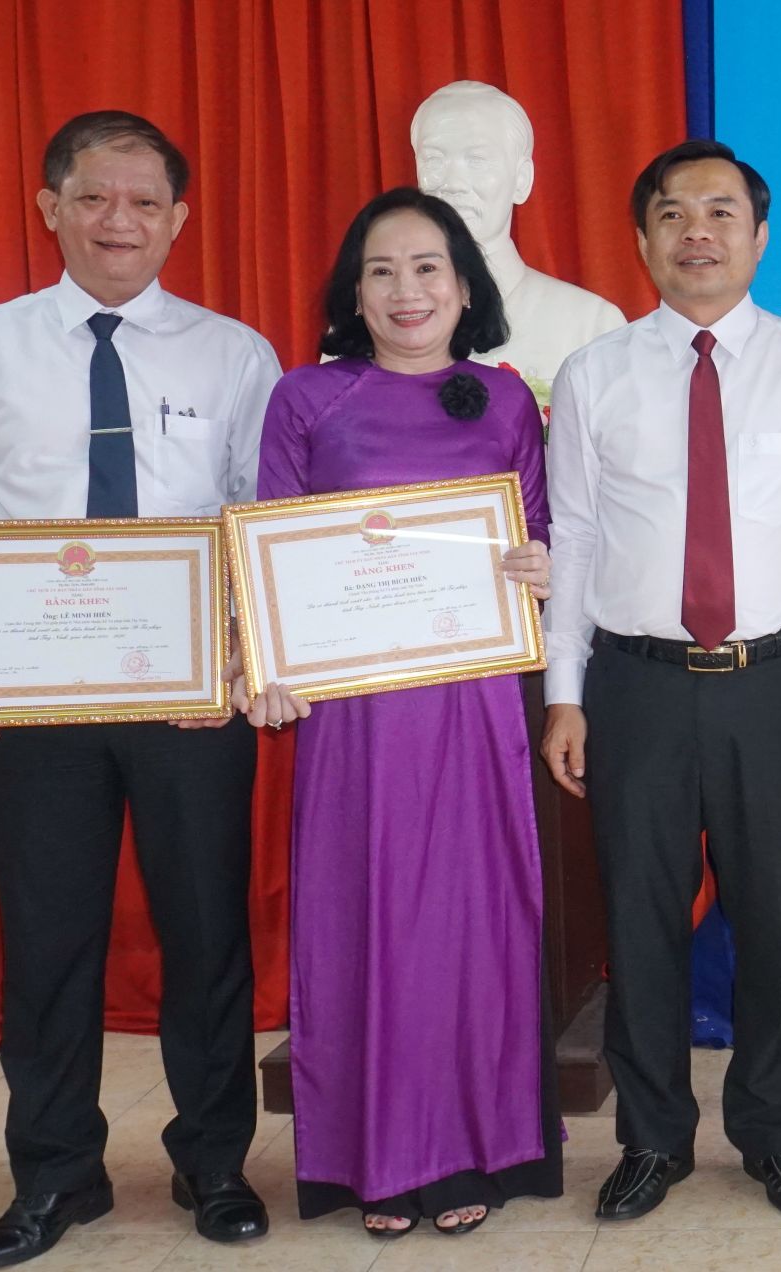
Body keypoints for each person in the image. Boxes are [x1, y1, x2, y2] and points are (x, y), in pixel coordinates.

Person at [0, 111, 281, 1267]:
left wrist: (244, 658)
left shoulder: (234, 355)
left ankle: (215, 1163)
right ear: (51, 206)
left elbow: (264, 516)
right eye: (97, 197)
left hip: (190, 702)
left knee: (208, 935)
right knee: (48, 942)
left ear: (180, 218)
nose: (122, 221)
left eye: (146, 202)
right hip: (35, 704)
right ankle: (56, 1175)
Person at [540, 139, 781, 1221]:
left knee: (774, 918)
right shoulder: (594, 375)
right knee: (638, 919)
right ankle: (652, 1139)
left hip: (775, 682)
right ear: (643, 239)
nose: (698, 233)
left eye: (722, 213)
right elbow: (574, 538)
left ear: (760, 236)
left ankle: (775, 1132)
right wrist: (564, 692)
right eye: (674, 214)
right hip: (634, 682)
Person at [240, 187, 560, 1239]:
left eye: (428, 268)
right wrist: (267, 657)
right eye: (381, 270)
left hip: (473, 708)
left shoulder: (504, 400)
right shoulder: (305, 398)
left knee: (471, 921)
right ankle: (374, 1156)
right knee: (364, 919)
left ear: (464, 288)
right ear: (353, 292)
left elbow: (541, 535)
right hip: (357, 716)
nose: (405, 290)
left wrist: (540, 565)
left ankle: (471, 1144)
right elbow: (274, 551)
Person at [411, 80, 625, 383]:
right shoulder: (375, 324)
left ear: (522, 179)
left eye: (477, 160)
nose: (453, 183)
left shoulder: (590, 326)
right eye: (434, 159)